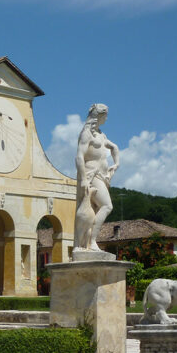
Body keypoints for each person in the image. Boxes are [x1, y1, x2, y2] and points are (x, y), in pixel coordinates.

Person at [74, 103, 119, 251]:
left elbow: (114, 147)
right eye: (105, 115)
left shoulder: (101, 134)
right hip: (91, 174)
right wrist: (84, 179)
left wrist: (116, 163)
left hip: (100, 176)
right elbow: (79, 157)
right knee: (106, 206)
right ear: (99, 116)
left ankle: (89, 242)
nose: (107, 118)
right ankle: (91, 241)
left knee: (95, 209)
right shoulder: (87, 134)